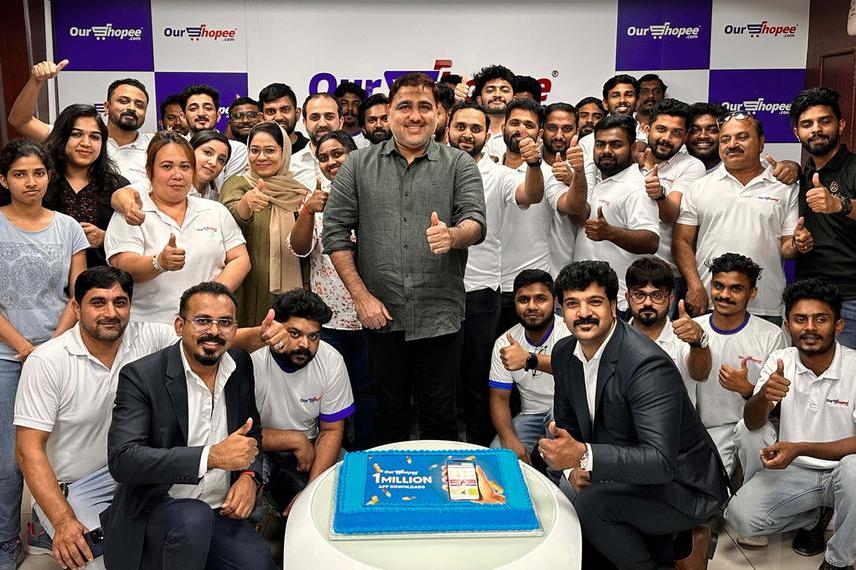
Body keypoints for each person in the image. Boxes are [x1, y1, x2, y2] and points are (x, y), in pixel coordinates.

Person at [322, 72, 486, 444]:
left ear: (439, 114)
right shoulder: (358, 164)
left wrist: (453, 235)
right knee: (389, 415)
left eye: (424, 107)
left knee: (441, 415)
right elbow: (335, 234)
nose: (415, 116)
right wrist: (361, 298)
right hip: (380, 315)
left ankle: (440, 482)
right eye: (405, 107)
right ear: (390, 113)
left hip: (439, 317)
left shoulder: (460, 164)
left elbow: (476, 223)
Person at [540, 261, 729, 569]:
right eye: (573, 304)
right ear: (561, 309)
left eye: (595, 302)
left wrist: (584, 456)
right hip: (618, 469)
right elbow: (567, 428)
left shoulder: (646, 364)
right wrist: (573, 467)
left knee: (591, 505)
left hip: (682, 485)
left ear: (614, 306)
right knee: (562, 498)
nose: (584, 313)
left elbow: (660, 462)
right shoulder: (564, 352)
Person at [101, 282, 275, 569]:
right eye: (203, 321)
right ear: (179, 325)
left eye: (225, 323)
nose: (214, 331)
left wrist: (249, 477)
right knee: (193, 519)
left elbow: (251, 431)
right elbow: (123, 459)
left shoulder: (240, 364)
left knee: (259, 564)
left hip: (219, 510)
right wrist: (211, 457)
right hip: (158, 508)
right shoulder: (141, 376)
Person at [727, 279, 856, 570]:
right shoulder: (780, 360)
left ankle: (838, 561)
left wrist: (799, 448)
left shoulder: (854, 366)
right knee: (740, 518)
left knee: (855, 469)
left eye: (820, 319)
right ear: (787, 326)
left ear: (838, 326)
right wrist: (763, 395)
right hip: (795, 472)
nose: (809, 328)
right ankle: (814, 516)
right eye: (800, 319)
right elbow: (753, 422)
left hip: (844, 471)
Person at [0, 139, 88, 567]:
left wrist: (52, 343)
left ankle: (45, 524)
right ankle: (5, 540)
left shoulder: (68, 227)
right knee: (9, 459)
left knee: (65, 448)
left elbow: (78, 293)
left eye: (38, 173)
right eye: (19, 174)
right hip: (6, 357)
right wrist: (24, 348)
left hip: (60, 350)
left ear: (49, 176)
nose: (30, 182)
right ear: (4, 180)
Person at [447, 101, 533, 446]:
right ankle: (439, 447)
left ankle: (479, 449)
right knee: (439, 379)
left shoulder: (500, 175)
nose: (467, 134)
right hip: (435, 290)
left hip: (480, 291)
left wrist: (534, 164)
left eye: (475, 128)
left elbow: (530, 194)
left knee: (477, 379)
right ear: (447, 129)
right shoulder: (430, 168)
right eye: (460, 127)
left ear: (487, 134)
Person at [674, 113, 809, 323]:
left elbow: (787, 248)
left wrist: (798, 243)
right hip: (711, 300)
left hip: (766, 303)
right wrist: (694, 285)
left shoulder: (785, 187)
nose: (732, 145)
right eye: (725, 139)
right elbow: (681, 241)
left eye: (742, 137)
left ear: (761, 143)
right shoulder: (699, 187)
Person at [288, 130, 375, 450]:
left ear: (354, 156)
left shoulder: (374, 194)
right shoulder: (315, 200)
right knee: (328, 392)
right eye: (323, 157)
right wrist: (308, 210)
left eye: (337, 154)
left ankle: (366, 452)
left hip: (371, 316)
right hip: (328, 320)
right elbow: (299, 249)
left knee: (368, 392)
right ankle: (332, 454)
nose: (331, 162)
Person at [105, 132, 250, 325]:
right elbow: (123, 265)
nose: (178, 175)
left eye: (185, 166)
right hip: (149, 326)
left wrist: (208, 299)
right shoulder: (134, 209)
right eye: (167, 166)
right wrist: (159, 262)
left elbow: (240, 259)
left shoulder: (215, 210)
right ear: (149, 171)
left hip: (206, 327)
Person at [691, 254, 787, 500]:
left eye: (736, 289)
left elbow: (781, 407)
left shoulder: (771, 335)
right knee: (708, 501)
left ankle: (755, 499)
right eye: (718, 286)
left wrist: (747, 389)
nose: (724, 295)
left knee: (754, 432)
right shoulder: (693, 329)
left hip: (752, 426)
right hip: (707, 431)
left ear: (752, 293)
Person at [251, 289, 354, 515]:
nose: (305, 344)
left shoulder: (331, 360)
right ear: (276, 328)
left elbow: (331, 430)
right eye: (294, 333)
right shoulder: (252, 361)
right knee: (247, 487)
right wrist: (294, 440)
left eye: (313, 336)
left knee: (349, 480)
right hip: (259, 446)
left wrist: (311, 491)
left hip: (313, 443)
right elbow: (239, 434)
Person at [559, 114, 660, 317]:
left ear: (633, 148)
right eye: (600, 144)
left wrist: (610, 233)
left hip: (618, 302)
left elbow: (651, 241)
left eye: (616, 144)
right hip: (589, 296)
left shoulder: (636, 186)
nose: (606, 150)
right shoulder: (599, 180)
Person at [220, 122, 308, 328]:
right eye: (254, 150)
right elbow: (226, 221)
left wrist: (306, 283)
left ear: (284, 152)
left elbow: (305, 246)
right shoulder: (237, 183)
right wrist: (245, 205)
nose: (261, 157)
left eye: (270, 150)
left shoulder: (298, 192)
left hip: (289, 288)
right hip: (247, 284)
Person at [8, 60, 152, 184]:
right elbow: (20, 121)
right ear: (106, 107)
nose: (132, 108)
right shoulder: (75, 136)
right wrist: (36, 80)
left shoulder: (155, 146)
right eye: (123, 101)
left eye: (139, 105)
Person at [790, 87, 856, 349]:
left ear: (841, 125)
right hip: (806, 295)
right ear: (797, 133)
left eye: (824, 121)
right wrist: (799, 241)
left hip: (849, 299)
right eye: (807, 124)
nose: (816, 129)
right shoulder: (804, 172)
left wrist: (839, 204)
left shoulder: (853, 167)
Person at [489, 270, 570, 461]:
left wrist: (528, 359)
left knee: (558, 452)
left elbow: (575, 369)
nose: (532, 306)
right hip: (530, 416)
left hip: (567, 411)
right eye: (524, 300)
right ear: (514, 303)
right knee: (499, 457)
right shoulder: (504, 342)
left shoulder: (569, 332)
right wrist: (509, 439)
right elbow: (499, 398)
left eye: (540, 299)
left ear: (555, 301)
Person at [38, 104, 131, 268]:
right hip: (45, 273)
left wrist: (105, 238)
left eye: (95, 137)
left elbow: (135, 239)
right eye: (76, 134)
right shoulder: (41, 181)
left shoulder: (117, 186)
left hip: (102, 278)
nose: (86, 143)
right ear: (61, 136)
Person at [638, 99, 706, 312]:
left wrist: (659, 195)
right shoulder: (629, 158)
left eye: (676, 133)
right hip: (624, 267)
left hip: (666, 273)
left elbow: (670, 214)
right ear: (647, 129)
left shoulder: (691, 166)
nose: (667, 138)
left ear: (685, 137)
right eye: (661, 129)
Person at [493, 98, 550, 334]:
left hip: (529, 286)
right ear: (503, 127)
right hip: (487, 284)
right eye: (515, 123)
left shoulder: (550, 173)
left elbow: (532, 195)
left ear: (540, 133)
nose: (521, 129)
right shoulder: (487, 167)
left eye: (529, 124)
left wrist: (534, 164)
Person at [624, 257, 711, 405]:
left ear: (670, 299)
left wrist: (697, 343)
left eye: (657, 295)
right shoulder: (614, 337)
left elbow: (700, 374)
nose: (647, 303)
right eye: (639, 295)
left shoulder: (684, 337)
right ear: (628, 298)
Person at [178, 84, 248, 182]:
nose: (201, 114)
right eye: (193, 109)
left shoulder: (236, 149)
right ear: (183, 117)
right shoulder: (176, 147)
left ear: (218, 115)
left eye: (208, 108)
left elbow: (230, 189)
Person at [290, 94, 344, 188]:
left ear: (341, 121)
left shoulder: (356, 162)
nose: (322, 124)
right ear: (305, 123)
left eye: (329, 117)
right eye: (315, 117)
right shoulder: (290, 166)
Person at [470, 64, 516, 159]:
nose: (497, 95)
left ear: (514, 99)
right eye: (490, 91)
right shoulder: (467, 132)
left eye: (505, 90)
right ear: (479, 99)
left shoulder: (521, 133)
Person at [258, 82, 308, 154]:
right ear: (262, 118)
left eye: (285, 110)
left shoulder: (313, 151)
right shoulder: (255, 153)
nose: (279, 117)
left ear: (297, 114)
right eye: (271, 111)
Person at [188, 130, 232, 201]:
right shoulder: (172, 190)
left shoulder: (217, 201)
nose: (213, 163)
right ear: (190, 151)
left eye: (221, 159)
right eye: (208, 152)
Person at [686, 103, 726, 173]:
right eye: (695, 130)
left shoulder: (735, 169)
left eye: (712, 130)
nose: (703, 136)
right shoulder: (674, 164)